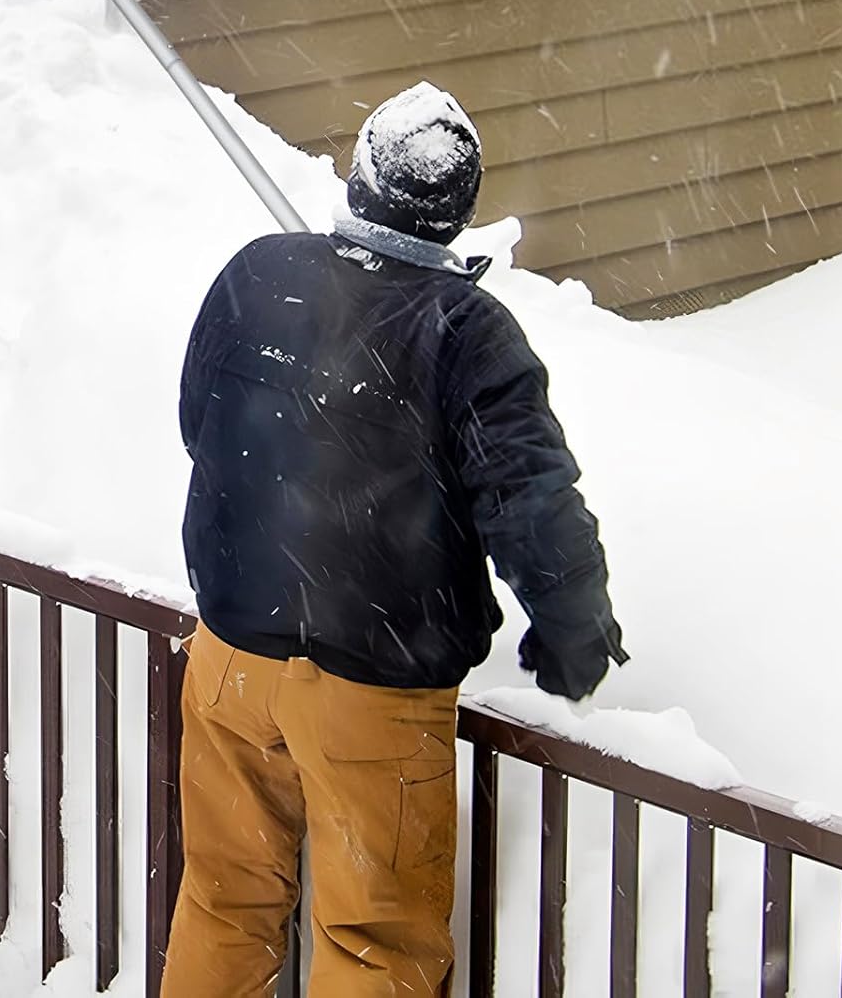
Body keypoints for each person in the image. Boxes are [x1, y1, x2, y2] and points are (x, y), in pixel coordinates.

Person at [161, 80, 626, 998]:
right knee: (374, 942)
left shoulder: (258, 272)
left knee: (224, 901)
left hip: (231, 664)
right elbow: (530, 499)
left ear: (360, 177)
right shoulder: (468, 332)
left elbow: (196, 422)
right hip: (372, 694)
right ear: (459, 211)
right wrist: (574, 631)